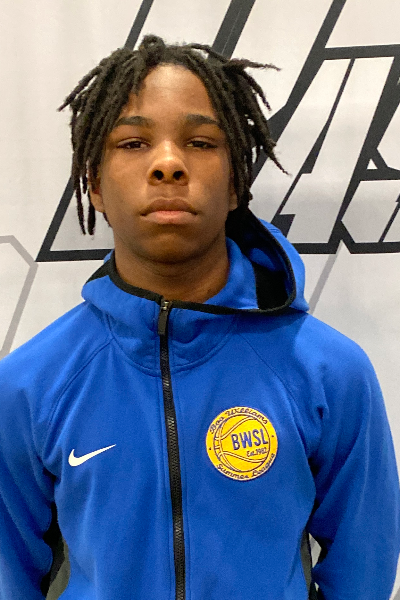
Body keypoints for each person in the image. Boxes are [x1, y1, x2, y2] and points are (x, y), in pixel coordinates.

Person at [0, 34, 399, 600]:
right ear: (94, 185)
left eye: (200, 142)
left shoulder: (330, 372)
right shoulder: (29, 385)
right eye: (134, 142)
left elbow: (364, 564)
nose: (168, 163)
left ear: (235, 183)